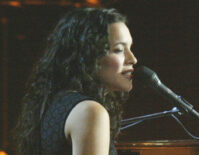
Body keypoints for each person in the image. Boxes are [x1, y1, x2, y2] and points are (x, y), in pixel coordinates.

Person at [14, 8, 137, 155]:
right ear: (88, 55)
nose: (133, 59)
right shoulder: (90, 111)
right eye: (118, 50)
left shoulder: (54, 103)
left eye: (130, 48)